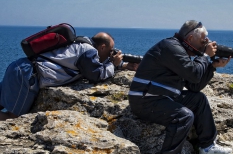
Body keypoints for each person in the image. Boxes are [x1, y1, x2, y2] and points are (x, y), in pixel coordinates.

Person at [128, 20, 232, 154]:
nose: (207, 43)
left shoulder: (181, 50)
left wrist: (211, 67)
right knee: (183, 115)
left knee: (198, 99)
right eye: (203, 39)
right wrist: (205, 56)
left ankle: (207, 148)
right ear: (190, 39)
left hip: (162, 97)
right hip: (144, 100)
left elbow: (194, 86)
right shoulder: (171, 47)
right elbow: (193, 74)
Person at [0, 32, 138, 121]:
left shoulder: (81, 44)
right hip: (26, 75)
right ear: (102, 47)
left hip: (19, 67)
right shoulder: (88, 51)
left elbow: (94, 66)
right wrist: (113, 65)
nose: (110, 54)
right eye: (109, 51)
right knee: (13, 117)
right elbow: (96, 75)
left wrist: (123, 65)